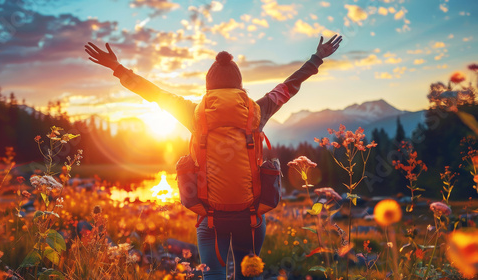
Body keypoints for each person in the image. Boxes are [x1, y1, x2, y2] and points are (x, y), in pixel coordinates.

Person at [84, 34, 342, 279]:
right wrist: (317, 58)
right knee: (247, 275)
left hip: (209, 217)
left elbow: (153, 93)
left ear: (208, 86)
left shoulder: (194, 113)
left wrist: (117, 67)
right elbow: (290, 85)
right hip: (251, 216)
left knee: (213, 276)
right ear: (240, 85)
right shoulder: (257, 111)